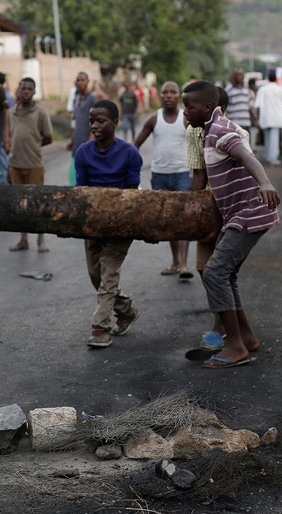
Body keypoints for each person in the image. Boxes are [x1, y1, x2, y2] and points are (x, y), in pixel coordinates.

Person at [182, 80, 280, 368]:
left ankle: (235, 346)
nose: (186, 111)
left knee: (214, 272)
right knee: (227, 274)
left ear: (208, 107)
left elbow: (246, 156)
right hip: (237, 215)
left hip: (250, 213)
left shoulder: (221, 131)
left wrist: (265, 182)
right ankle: (246, 337)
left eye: (190, 106)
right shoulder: (207, 132)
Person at [74, 100, 143, 348]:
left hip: (122, 223)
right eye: (91, 120)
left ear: (115, 123)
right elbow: (82, 192)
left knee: (108, 273)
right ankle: (126, 310)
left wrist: (120, 221)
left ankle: (100, 328)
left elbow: (131, 195)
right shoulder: (83, 152)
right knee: (96, 275)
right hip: (93, 223)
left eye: (100, 120)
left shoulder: (130, 154)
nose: (94, 125)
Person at [133, 81, 193, 279]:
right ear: (160, 96)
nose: (168, 96)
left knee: (182, 219)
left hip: (182, 174)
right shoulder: (154, 119)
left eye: (173, 92)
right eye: (165, 93)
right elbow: (135, 146)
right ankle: (175, 262)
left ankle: (184, 265)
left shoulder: (187, 118)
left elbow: (199, 142)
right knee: (168, 221)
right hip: (158, 175)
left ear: (179, 96)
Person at [7, 77, 53, 253]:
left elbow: (48, 137)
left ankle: (41, 240)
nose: (26, 91)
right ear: (18, 91)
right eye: (23, 88)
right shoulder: (11, 112)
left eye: (29, 89)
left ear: (34, 92)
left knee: (37, 203)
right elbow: (11, 136)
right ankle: (23, 239)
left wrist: (33, 146)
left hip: (34, 164)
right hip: (15, 164)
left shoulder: (40, 113)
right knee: (20, 204)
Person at [253, 70, 282, 166]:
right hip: (277, 117)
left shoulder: (262, 90)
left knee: (267, 137)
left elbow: (257, 105)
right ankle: (273, 158)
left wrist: (257, 118)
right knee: (274, 138)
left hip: (265, 117)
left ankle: (268, 155)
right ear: (275, 78)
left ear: (267, 79)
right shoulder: (279, 89)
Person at [66, 72, 96, 186]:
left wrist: (90, 141)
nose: (80, 82)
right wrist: (72, 140)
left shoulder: (93, 99)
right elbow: (75, 122)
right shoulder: (76, 99)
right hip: (77, 144)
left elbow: (96, 122)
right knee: (74, 179)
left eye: (83, 80)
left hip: (88, 144)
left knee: (88, 179)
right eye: (78, 80)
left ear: (88, 81)